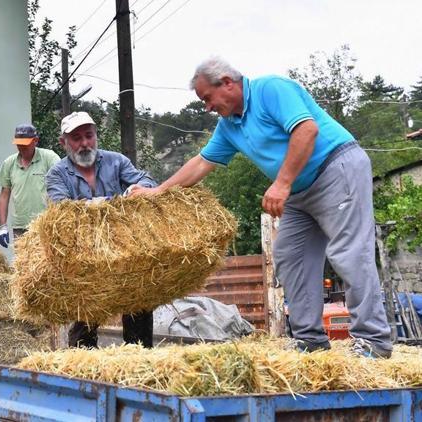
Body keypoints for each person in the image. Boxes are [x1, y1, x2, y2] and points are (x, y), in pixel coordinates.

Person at [131, 57, 393, 358]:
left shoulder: (271, 89)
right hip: (298, 189)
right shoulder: (229, 127)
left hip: (336, 169)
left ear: (227, 82)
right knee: (289, 256)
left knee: (349, 253)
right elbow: (202, 162)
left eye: (207, 98)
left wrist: (281, 183)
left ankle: (373, 341)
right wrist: (158, 192)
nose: (207, 107)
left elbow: (306, 131)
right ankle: (310, 341)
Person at [46, 111, 157, 349]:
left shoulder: (116, 161)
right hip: (85, 253)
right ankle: (83, 367)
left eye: (89, 135)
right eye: (76, 138)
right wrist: (113, 202)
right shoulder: (57, 173)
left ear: (96, 136)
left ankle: (140, 359)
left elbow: (148, 182)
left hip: (124, 247)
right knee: (85, 313)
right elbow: (63, 210)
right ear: (63, 143)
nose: (85, 143)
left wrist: (138, 188)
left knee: (138, 301)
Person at [0, 124, 60, 248]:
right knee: (22, 266)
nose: (21, 147)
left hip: (45, 225)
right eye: (19, 144)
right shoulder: (9, 163)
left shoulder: (49, 158)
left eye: (25, 144)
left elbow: (61, 183)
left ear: (35, 141)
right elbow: (4, 195)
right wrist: (3, 227)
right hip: (20, 228)